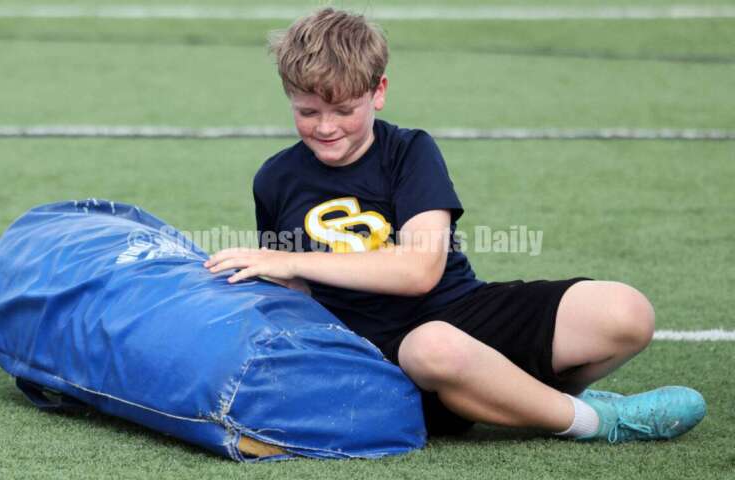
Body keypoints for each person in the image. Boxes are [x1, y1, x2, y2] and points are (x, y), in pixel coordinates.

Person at [203, 7, 706, 442]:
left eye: (343, 109)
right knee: (431, 347)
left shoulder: (409, 151)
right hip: (382, 360)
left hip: (463, 308)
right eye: (307, 111)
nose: (326, 126)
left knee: (626, 312)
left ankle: (528, 399)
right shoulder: (275, 178)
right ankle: (597, 421)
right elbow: (297, 298)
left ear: (378, 92)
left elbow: (420, 270)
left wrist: (287, 257)